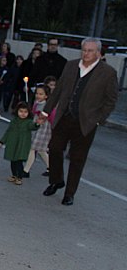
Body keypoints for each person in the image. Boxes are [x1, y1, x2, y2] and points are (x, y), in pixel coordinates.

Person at [41, 38, 118, 206]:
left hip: (86, 122)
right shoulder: (71, 65)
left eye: (90, 50)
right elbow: (58, 91)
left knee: (77, 159)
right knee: (54, 148)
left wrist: (98, 119)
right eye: (84, 50)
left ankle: (69, 194)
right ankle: (56, 180)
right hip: (65, 116)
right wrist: (45, 111)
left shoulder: (108, 72)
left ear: (98, 53)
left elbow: (111, 100)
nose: (86, 53)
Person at [0, 101, 39, 185]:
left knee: (19, 161)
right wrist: (2, 141)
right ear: (17, 111)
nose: (23, 114)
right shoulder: (14, 121)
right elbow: (8, 131)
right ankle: (14, 175)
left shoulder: (28, 122)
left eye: (25, 112)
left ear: (28, 113)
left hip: (22, 144)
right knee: (12, 160)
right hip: (13, 143)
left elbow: (33, 126)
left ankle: (19, 177)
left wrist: (37, 124)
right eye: (21, 111)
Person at [23, 85, 53, 177]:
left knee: (32, 148)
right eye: (37, 93)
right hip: (37, 127)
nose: (38, 96)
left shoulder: (46, 105)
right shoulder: (37, 103)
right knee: (41, 150)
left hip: (42, 129)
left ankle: (26, 170)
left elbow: (44, 117)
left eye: (41, 94)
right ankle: (51, 168)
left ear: (46, 96)